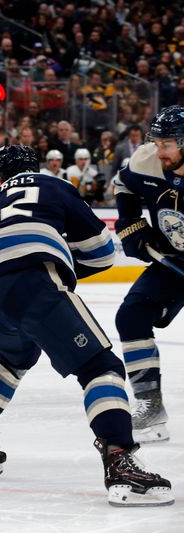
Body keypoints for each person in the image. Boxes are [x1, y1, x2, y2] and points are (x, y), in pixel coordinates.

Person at [0, 145, 172, 507]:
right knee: (100, 367)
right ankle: (120, 462)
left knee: (17, 353)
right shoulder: (53, 185)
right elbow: (103, 253)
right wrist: (59, 263)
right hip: (32, 283)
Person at [112, 105, 184, 444]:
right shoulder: (147, 160)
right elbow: (122, 184)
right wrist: (130, 225)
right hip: (173, 262)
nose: (159, 150)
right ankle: (150, 403)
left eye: (166, 144)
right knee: (131, 316)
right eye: (156, 142)